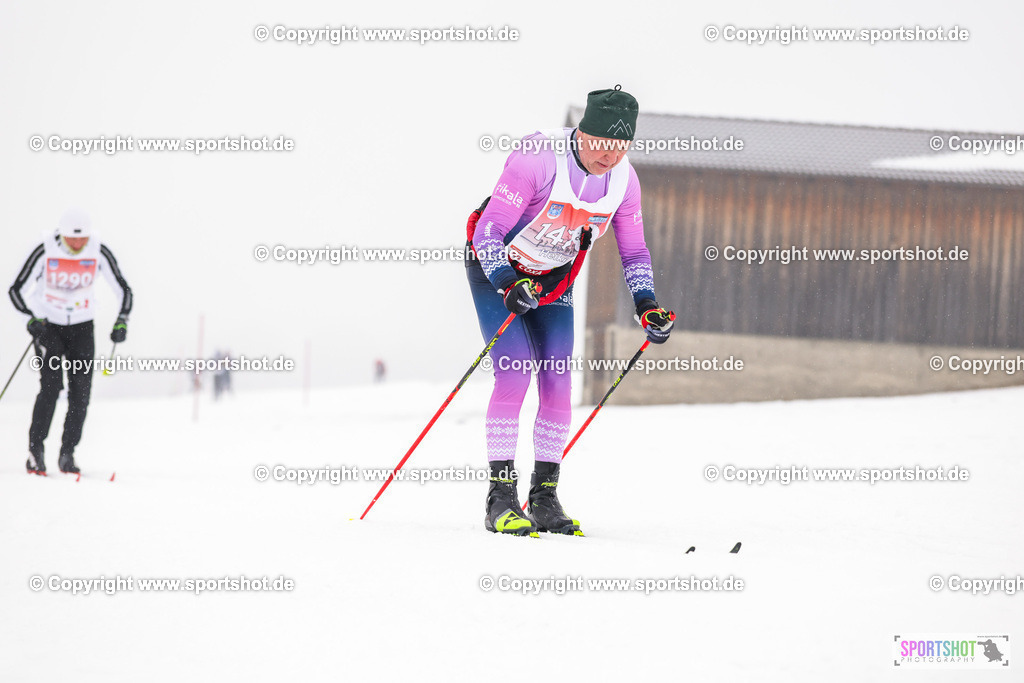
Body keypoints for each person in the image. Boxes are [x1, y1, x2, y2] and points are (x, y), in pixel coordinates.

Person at [465, 85, 674, 536]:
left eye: (622, 147)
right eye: (602, 144)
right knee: (516, 370)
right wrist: (506, 282)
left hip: (551, 279)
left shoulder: (624, 181)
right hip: (496, 267)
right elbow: (488, 232)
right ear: (582, 132)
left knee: (559, 379)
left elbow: (634, 251)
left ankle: (543, 498)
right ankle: (500, 498)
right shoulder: (538, 159)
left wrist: (647, 305)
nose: (610, 156)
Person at [9, 209, 133, 475]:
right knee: (51, 388)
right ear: (61, 235)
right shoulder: (45, 248)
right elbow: (16, 290)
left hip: (82, 328)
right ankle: (35, 451)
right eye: (71, 240)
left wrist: (122, 320)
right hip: (48, 328)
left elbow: (124, 289)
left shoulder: (98, 250)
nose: (77, 245)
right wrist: (30, 322)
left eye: (82, 240)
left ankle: (68, 453)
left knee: (81, 394)